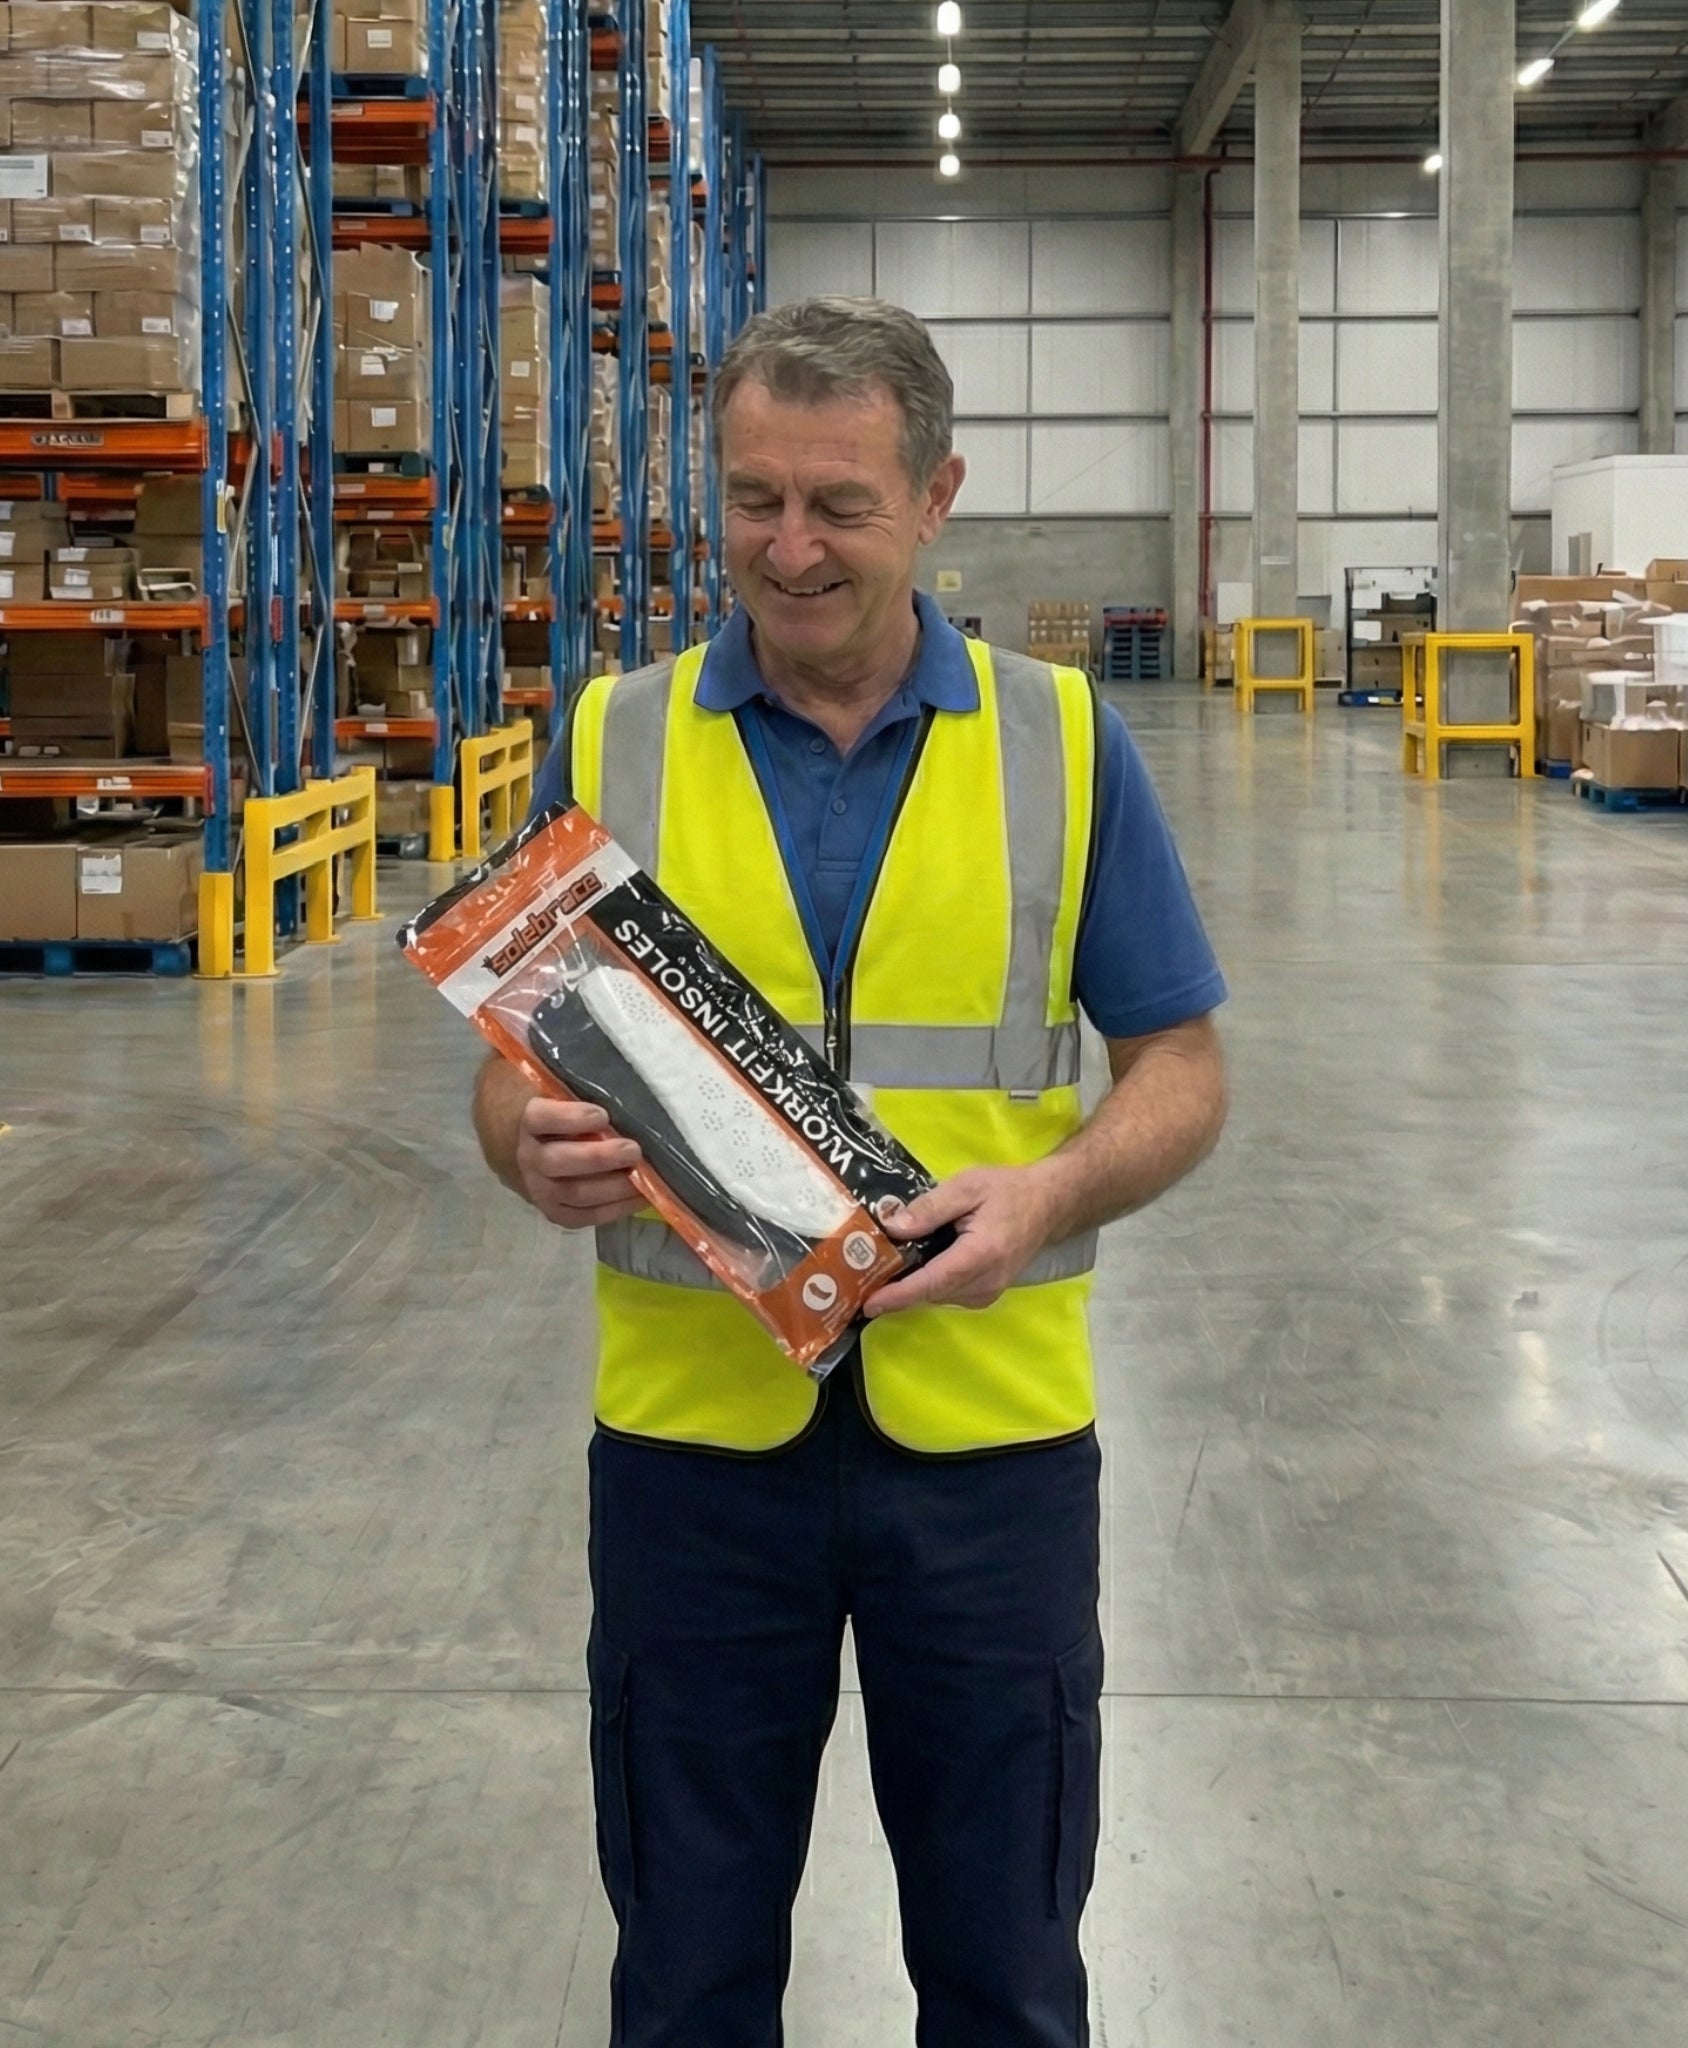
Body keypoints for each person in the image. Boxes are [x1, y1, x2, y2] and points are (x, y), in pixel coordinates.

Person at [474, 294, 1228, 2048]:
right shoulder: (614, 737)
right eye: (754, 500)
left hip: (986, 1453)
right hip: (694, 1453)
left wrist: (1049, 1195)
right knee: (686, 1967)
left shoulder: (1061, 742)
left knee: (1006, 1969)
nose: (789, 549)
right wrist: (529, 1148)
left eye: (839, 505)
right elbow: (508, 1078)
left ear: (937, 497)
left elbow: (1182, 1069)